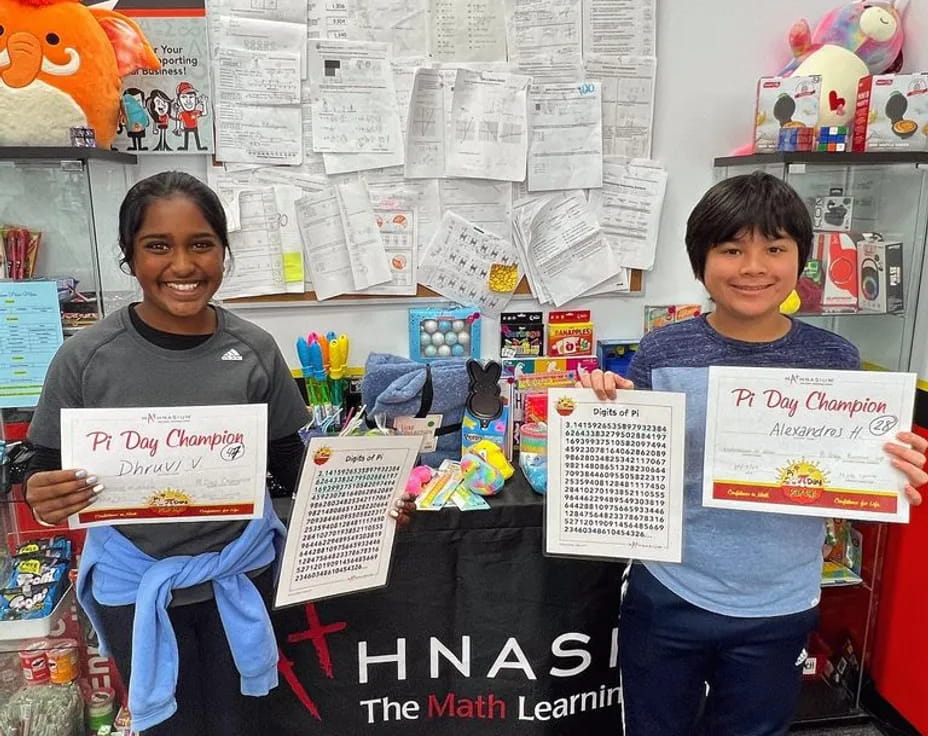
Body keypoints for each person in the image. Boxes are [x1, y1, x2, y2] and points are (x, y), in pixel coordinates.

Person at [23, 171, 415, 736]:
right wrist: (43, 495)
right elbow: (41, 466)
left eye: (201, 244)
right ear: (128, 258)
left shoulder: (253, 348)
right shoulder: (84, 358)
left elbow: (292, 466)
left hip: (238, 578)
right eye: (157, 246)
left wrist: (366, 503)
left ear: (224, 253)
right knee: (170, 727)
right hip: (136, 592)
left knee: (242, 723)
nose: (182, 266)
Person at [580, 172, 928, 736]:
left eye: (775, 248)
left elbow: (846, 475)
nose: (753, 267)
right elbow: (637, 464)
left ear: (800, 260)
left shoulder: (834, 359)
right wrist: (606, 414)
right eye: (731, 249)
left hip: (780, 599)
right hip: (669, 590)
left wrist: (888, 466)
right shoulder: (664, 349)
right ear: (701, 262)